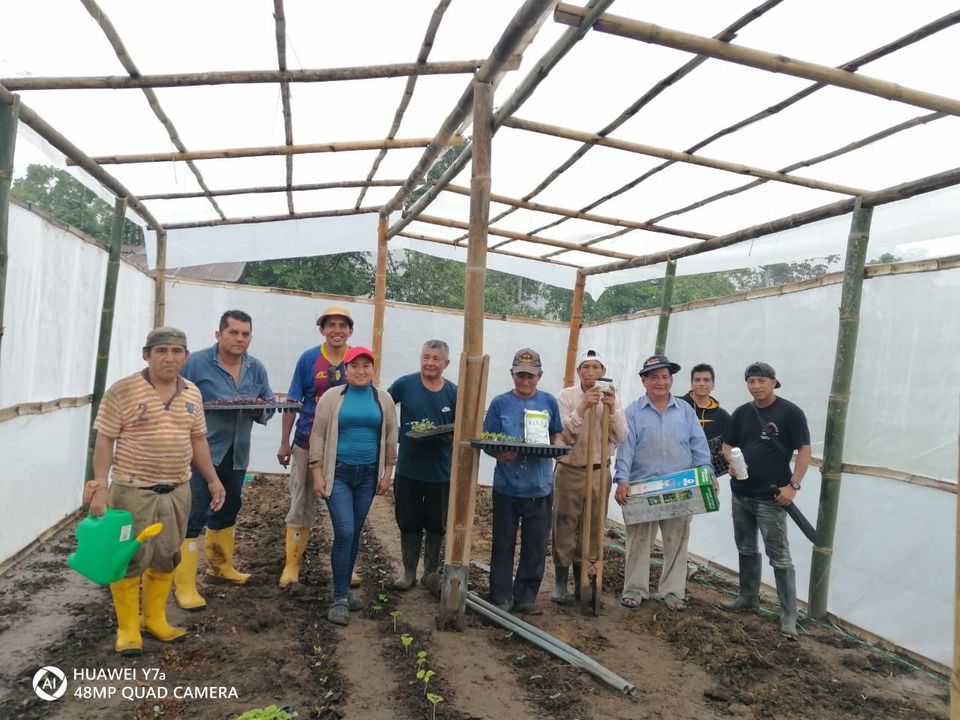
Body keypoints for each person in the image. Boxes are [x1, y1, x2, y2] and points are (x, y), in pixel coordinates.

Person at [86, 327, 226, 654]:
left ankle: (154, 619)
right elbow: (105, 440)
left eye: (177, 351)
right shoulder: (123, 391)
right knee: (129, 557)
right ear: (146, 355)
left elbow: (197, 439)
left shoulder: (192, 393)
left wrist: (212, 479)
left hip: (177, 489)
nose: (169, 358)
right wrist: (100, 486)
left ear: (185, 357)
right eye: (161, 351)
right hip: (133, 489)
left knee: (166, 555)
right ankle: (128, 629)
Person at [173, 310, 274, 610]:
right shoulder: (196, 363)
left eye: (245, 334)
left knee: (229, 507)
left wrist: (257, 409)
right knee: (193, 514)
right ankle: (184, 585)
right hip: (201, 452)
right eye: (234, 333)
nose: (240, 339)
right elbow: (175, 400)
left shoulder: (256, 368)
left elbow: (268, 404)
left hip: (236, 452)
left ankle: (220, 567)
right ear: (219, 334)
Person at [614, 354, 712, 612]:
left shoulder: (685, 410)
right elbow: (626, 448)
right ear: (644, 381)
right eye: (654, 377)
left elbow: (699, 446)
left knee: (676, 540)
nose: (660, 382)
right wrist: (622, 479)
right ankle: (635, 590)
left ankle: (672, 591)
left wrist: (706, 472)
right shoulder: (633, 412)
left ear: (671, 380)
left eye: (665, 377)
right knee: (639, 540)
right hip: (642, 487)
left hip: (679, 486)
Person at [308, 346, 398, 625]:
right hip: (339, 474)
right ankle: (338, 598)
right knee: (345, 531)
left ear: (373, 369)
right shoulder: (332, 397)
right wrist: (317, 473)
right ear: (345, 370)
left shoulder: (383, 399)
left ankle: (344, 590)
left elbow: (391, 437)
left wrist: (387, 473)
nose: (360, 371)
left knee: (355, 533)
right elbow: (318, 435)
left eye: (365, 366)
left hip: (367, 476)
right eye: (354, 366)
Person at [721, 362, 811, 638]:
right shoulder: (742, 413)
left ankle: (789, 615)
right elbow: (728, 444)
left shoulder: (790, 412)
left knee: (779, 555)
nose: (756, 386)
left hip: (771, 497)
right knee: (746, 547)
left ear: (773, 382)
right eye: (751, 381)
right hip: (741, 493)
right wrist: (731, 462)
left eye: (762, 380)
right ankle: (748, 597)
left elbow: (804, 450)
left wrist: (793, 485)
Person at [277, 304, 362, 590]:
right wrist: (285, 442)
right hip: (306, 442)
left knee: (346, 510)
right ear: (322, 330)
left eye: (342, 326)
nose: (337, 330)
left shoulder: (357, 360)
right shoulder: (309, 359)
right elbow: (293, 402)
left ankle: (346, 565)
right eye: (331, 325)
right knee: (301, 504)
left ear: (350, 331)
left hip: (344, 447)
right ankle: (292, 566)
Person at [482, 348, 563, 615]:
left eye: (530, 376)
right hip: (507, 486)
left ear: (540, 376)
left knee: (535, 545)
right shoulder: (500, 403)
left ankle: (526, 597)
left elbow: (556, 434)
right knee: (503, 543)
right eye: (520, 375)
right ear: (512, 374)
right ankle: (501, 596)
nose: (525, 381)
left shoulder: (549, 402)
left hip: (540, 487)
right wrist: (498, 452)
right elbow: (487, 439)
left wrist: (558, 448)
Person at [551, 349, 627, 605]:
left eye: (596, 368)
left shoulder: (611, 396)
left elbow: (621, 435)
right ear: (579, 371)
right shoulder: (566, 396)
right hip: (570, 469)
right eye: (586, 367)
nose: (591, 372)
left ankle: (586, 581)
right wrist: (583, 406)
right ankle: (560, 583)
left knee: (593, 528)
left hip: (598, 471)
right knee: (565, 525)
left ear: (603, 372)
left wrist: (612, 409)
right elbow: (562, 435)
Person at [387, 340, 457, 594]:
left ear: (446, 363)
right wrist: (392, 434)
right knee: (409, 520)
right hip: (409, 469)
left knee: (437, 523)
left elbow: (462, 425)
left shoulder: (453, 392)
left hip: (440, 472)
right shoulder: (405, 385)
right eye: (426, 357)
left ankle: (430, 572)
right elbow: (384, 406)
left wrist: (451, 435)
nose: (430, 363)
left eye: (436, 359)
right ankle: (408, 572)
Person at [681, 363, 731, 444]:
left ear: (713, 385)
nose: (701, 384)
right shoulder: (678, 406)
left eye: (706, 380)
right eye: (697, 380)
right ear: (691, 384)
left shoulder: (723, 416)